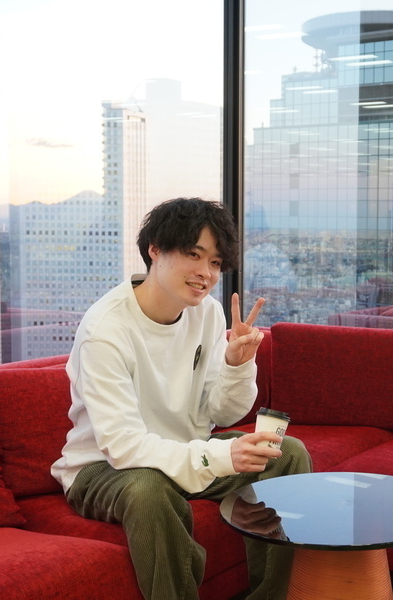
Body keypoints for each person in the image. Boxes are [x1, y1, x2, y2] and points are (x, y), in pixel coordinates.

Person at [51, 197, 312, 600]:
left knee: (287, 453)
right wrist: (220, 456)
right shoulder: (105, 330)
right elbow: (123, 446)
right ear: (155, 249)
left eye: (215, 262)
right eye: (194, 254)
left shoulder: (206, 313)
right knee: (149, 488)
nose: (206, 273)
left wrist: (237, 365)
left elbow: (222, 412)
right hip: (103, 467)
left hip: (182, 452)